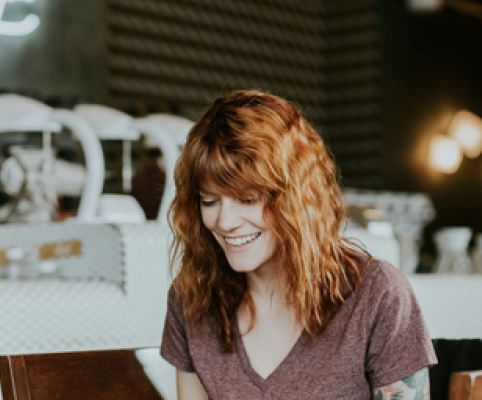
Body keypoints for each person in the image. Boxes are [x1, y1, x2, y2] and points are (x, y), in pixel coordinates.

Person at [160, 90, 437, 399]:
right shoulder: (191, 300)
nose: (224, 222)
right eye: (209, 201)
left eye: (247, 199)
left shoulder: (378, 295)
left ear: (295, 197)